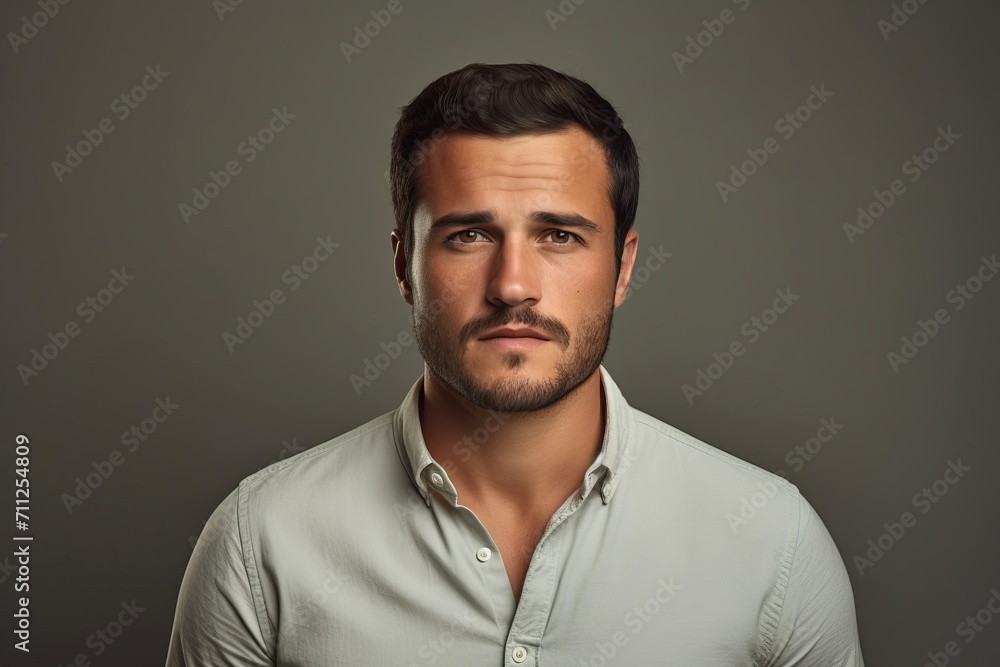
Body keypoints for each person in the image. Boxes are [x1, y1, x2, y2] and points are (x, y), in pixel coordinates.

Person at [166, 62, 865, 666]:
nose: (512, 284)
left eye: (559, 235)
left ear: (622, 268)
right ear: (404, 265)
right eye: (469, 234)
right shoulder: (262, 541)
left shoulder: (772, 542)